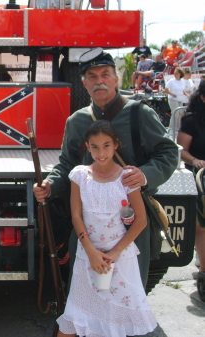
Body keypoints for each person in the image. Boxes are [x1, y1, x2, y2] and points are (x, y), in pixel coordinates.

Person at [33, 48, 178, 288]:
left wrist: (145, 175)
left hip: (129, 220)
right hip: (87, 221)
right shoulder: (77, 121)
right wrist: (50, 184)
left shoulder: (139, 114)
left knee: (128, 290)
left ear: (116, 78)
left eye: (105, 74)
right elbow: (67, 164)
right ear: (84, 83)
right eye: (92, 76)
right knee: (85, 289)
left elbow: (169, 152)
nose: (99, 81)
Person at [56, 120, 157, 337]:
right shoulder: (80, 175)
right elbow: (76, 215)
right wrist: (91, 252)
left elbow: (140, 220)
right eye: (95, 146)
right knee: (74, 318)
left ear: (116, 144)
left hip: (120, 259)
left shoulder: (127, 178)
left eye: (106, 145)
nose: (101, 152)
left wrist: (114, 253)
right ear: (87, 146)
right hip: (87, 256)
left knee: (115, 323)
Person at [176, 81, 205, 276]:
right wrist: (195, 160)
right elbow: (181, 151)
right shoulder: (192, 121)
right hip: (200, 178)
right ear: (203, 98)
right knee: (201, 224)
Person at [165, 67, 187, 134]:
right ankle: (171, 128)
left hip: (180, 99)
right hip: (173, 99)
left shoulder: (182, 81)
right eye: (174, 73)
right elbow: (166, 90)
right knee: (175, 114)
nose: (175, 74)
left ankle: (177, 128)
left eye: (176, 73)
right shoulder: (171, 81)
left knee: (180, 114)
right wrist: (172, 94)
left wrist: (188, 95)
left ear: (180, 74)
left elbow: (183, 90)